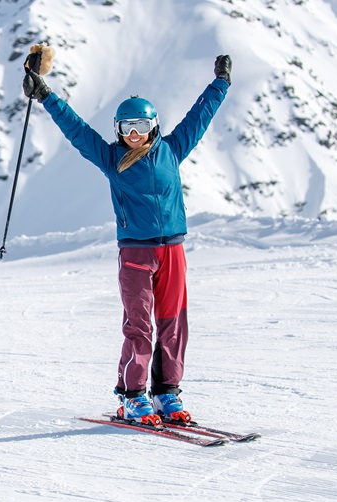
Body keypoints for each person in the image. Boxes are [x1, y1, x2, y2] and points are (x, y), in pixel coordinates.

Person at [22, 51, 233, 426]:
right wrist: (46, 95)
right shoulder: (111, 158)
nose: (133, 134)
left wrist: (221, 83)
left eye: (140, 126)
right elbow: (77, 130)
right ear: (118, 130)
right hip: (136, 252)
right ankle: (133, 396)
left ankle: (167, 392)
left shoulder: (172, 149)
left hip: (173, 250)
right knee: (139, 326)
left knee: (173, 324)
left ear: (153, 125)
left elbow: (199, 117)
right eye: (126, 127)